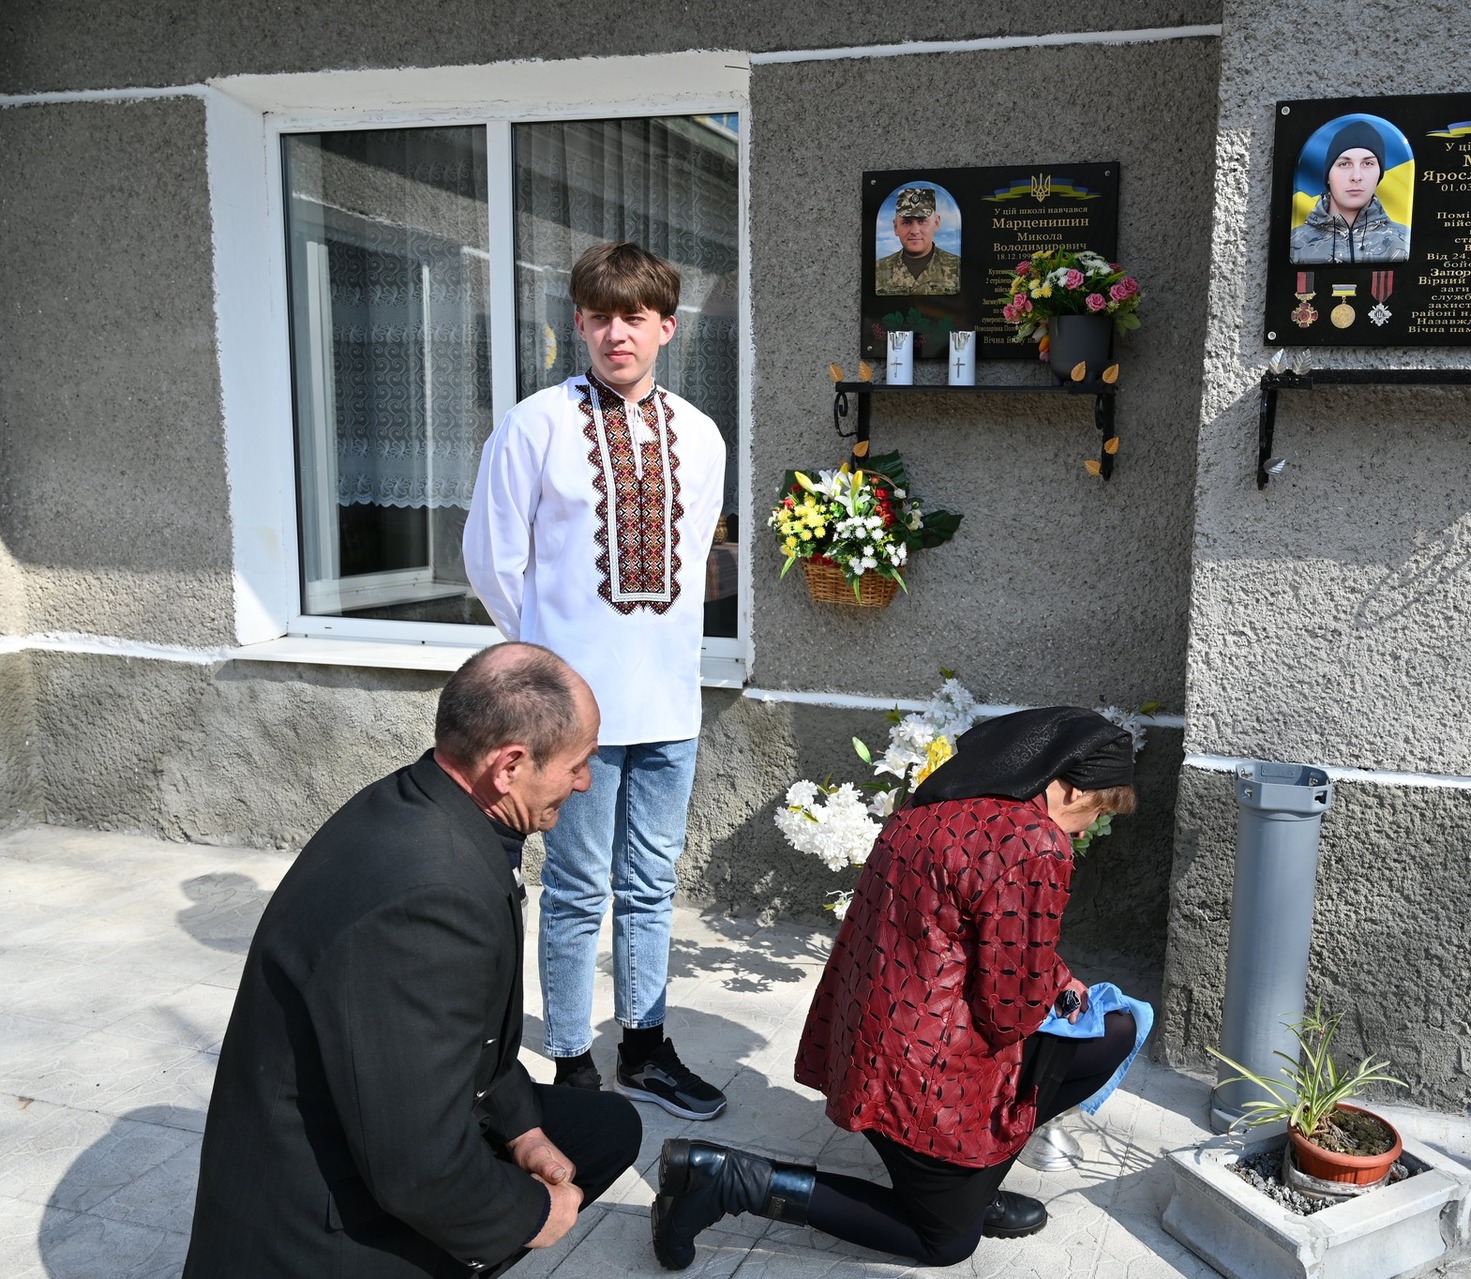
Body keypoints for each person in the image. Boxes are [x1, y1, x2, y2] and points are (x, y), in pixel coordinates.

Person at [183, 643, 643, 1278]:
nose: (585, 781)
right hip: (315, 1224)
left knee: (603, 1129)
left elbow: (468, 1041)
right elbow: (417, 1166)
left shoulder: (421, 801)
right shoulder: (432, 900)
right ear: (509, 766)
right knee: (500, 1202)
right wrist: (528, 1215)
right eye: (578, 763)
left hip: (375, 1116)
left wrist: (522, 1131)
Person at [650, 707, 1143, 1271]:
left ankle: (971, 1189)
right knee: (945, 1243)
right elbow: (1008, 1013)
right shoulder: (1035, 842)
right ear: (1071, 786)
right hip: (927, 1075)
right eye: (1096, 810)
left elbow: (956, 931)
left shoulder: (937, 803)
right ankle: (728, 1181)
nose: (1085, 828)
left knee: (1110, 1031)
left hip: (864, 1044)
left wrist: (1051, 976)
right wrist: (1052, 993)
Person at [464, 242, 729, 1119]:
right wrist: (547, 670)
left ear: (666, 328)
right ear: (578, 322)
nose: (618, 333)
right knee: (578, 887)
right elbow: (492, 558)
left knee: (652, 884)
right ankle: (573, 1059)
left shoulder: (701, 435)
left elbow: (691, 563)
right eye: (601, 316)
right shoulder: (535, 424)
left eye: (635, 317)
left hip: (670, 703)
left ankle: (645, 1046)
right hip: (572, 715)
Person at [1290, 120, 1412, 264]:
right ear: (1328, 176)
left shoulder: (1406, 241)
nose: (1356, 176)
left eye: (1368, 163)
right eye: (1344, 164)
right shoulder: (1293, 242)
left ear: (1379, 175)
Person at [874, 186, 962, 294]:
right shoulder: (877, 270)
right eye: (907, 222)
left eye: (922, 221)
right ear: (896, 227)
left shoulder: (959, 268)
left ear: (936, 223)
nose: (915, 231)